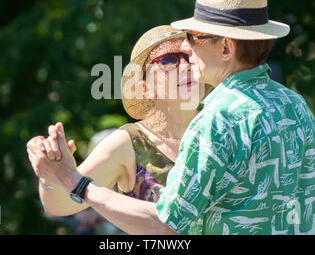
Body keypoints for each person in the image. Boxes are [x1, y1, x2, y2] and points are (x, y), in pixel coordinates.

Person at [27, 0, 315, 235]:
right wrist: (54, 176)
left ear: (225, 48)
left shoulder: (217, 121)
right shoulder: (294, 105)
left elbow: (165, 225)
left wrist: (74, 181)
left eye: (193, 39)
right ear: (144, 85)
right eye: (168, 60)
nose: (185, 50)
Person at [27, 25, 207, 219]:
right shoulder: (129, 143)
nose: (185, 65)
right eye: (168, 60)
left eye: (189, 55)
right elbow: (58, 206)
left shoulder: (227, 123)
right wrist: (49, 172)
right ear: (145, 88)